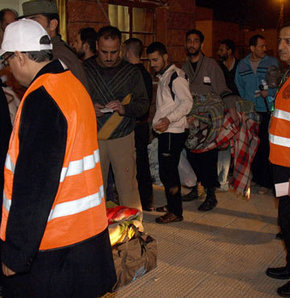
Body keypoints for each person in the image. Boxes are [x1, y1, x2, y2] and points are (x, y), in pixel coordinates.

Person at [0, 19, 116, 297]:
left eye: (9, 61)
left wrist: (15, 253)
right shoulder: (71, 85)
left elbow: (35, 186)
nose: (10, 70)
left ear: (20, 56)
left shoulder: (42, 98)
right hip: (87, 236)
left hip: (53, 246)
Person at [83, 26, 149, 211]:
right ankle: (98, 235)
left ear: (120, 48)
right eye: (104, 52)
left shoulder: (131, 72)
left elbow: (144, 104)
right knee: (95, 190)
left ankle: (135, 229)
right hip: (93, 136)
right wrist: (88, 107)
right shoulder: (84, 69)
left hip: (123, 136)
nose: (109, 57)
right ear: (96, 46)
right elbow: (72, 101)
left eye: (113, 52)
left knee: (128, 187)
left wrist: (124, 108)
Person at [182, 29, 238, 211]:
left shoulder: (211, 65)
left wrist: (231, 108)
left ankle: (211, 194)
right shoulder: (184, 67)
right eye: (189, 41)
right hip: (191, 119)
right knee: (191, 154)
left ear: (202, 44)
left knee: (207, 157)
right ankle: (196, 188)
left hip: (210, 119)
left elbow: (222, 88)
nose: (192, 44)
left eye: (195, 41)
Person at [146, 42, 193, 223]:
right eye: (150, 61)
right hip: (167, 131)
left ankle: (175, 212)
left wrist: (168, 120)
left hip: (173, 131)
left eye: (156, 59)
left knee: (169, 172)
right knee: (168, 171)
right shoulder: (165, 75)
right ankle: (172, 205)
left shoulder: (176, 76)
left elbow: (187, 103)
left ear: (166, 56)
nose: (153, 64)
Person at [235, 34, 279, 194]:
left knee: (265, 147)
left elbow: (276, 84)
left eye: (265, 46)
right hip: (249, 112)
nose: (264, 49)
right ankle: (254, 177)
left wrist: (269, 92)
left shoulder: (271, 63)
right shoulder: (242, 64)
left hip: (266, 110)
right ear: (252, 48)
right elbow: (239, 84)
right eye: (261, 46)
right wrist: (246, 100)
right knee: (251, 145)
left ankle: (265, 182)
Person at [265, 24, 290, 297]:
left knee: (289, 218)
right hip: (282, 166)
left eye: (288, 41)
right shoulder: (287, 74)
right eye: (281, 40)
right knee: (285, 217)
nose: (281, 46)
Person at [20, 0, 88, 89]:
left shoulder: (57, 56)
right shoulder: (52, 50)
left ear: (53, 24)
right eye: (27, 22)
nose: (29, 27)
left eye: (34, 21)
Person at [123, 37, 154, 211]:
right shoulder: (146, 74)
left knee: (136, 166)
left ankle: (139, 201)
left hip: (134, 125)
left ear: (127, 52)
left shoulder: (132, 74)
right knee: (142, 164)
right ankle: (146, 200)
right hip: (142, 124)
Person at [216, 39, 239, 192]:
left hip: (238, 107)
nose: (219, 52)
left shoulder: (240, 66)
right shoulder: (216, 67)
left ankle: (237, 175)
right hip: (223, 108)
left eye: (222, 49)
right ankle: (222, 179)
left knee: (238, 143)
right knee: (223, 142)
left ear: (229, 51)